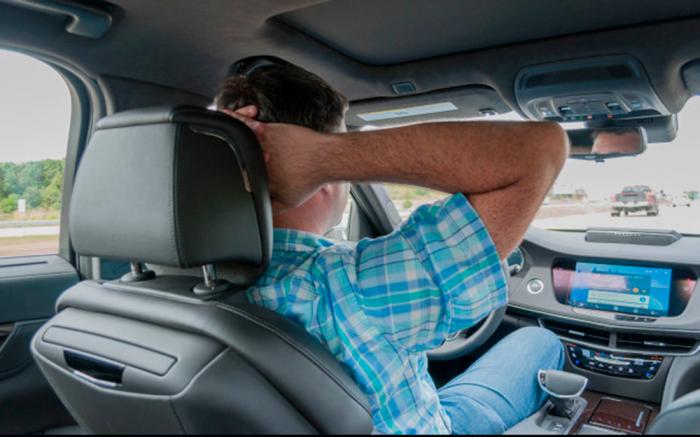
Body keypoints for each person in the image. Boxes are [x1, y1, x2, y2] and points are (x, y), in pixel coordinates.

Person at [215, 62, 569, 435]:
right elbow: (542, 150)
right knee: (539, 339)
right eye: (331, 151)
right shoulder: (351, 286)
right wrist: (322, 157)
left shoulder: (188, 278)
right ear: (318, 175)